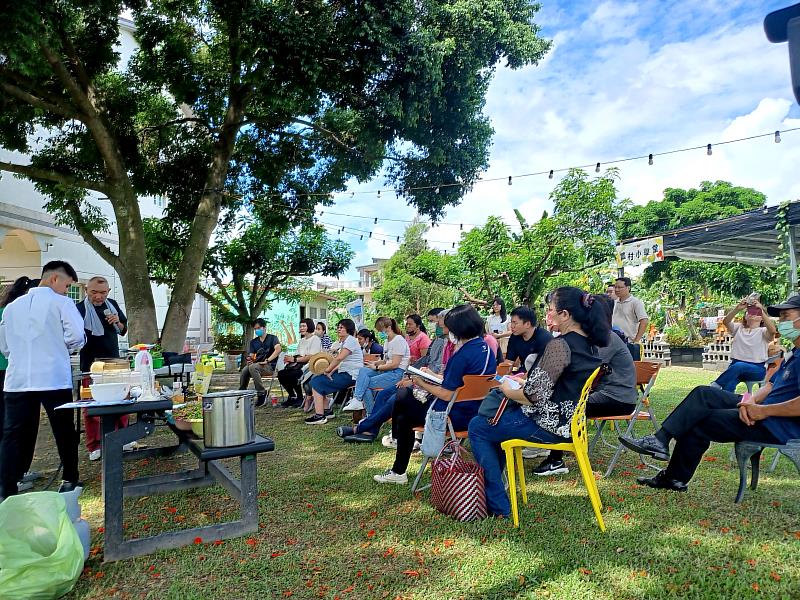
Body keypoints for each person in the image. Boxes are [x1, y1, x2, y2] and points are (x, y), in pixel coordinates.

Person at [619, 295, 800, 493]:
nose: (781, 322)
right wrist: (748, 402)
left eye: (785, 316)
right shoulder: (795, 353)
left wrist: (762, 412)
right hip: (761, 411)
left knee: (700, 421)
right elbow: (771, 386)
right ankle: (660, 440)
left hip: (777, 424)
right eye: (780, 317)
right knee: (703, 394)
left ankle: (673, 478)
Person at [468, 287, 610, 517]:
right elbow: (552, 386)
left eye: (551, 309)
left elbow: (532, 396)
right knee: (491, 425)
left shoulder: (560, 345)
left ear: (565, 314)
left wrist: (506, 387)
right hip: (572, 424)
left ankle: (498, 506)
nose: (548, 314)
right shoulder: (588, 344)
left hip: (550, 425)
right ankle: (495, 492)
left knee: (478, 426)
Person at [373, 304, 497, 484]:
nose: (446, 330)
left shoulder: (462, 354)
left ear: (459, 328)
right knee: (402, 400)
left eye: (449, 327)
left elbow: (446, 394)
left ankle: (398, 469)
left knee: (403, 412)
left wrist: (421, 381)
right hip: (475, 411)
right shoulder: (485, 349)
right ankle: (396, 452)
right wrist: (431, 376)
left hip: (452, 415)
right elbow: (459, 381)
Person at [0, 261, 86, 499]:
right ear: (54, 279)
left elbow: (4, 345)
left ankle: (7, 488)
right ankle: (70, 478)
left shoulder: (12, 307)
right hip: (52, 377)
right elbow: (77, 336)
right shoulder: (62, 303)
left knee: (12, 434)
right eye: (67, 285)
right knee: (63, 430)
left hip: (17, 379)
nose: (67, 290)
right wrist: (61, 347)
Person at [532, 294, 637, 476]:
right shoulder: (597, 337)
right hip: (607, 393)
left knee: (565, 407)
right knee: (561, 402)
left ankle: (554, 457)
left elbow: (583, 370)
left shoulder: (606, 339)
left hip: (617, 398)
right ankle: (549, 448)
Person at [338, 309, 451, 445]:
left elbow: (439, 372)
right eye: (436, 323)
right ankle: (369, 428)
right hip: (418, 378)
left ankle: (364, 427)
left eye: (438, 323)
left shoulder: (448, 345)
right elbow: (427, 363)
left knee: (394, 398)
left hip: (426, 385)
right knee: (382, 393)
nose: (437, 326)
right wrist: (411, 376)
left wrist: (416, 379)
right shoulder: (440, 341)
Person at [76, 276, 130, 461]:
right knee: (91, 405)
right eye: (94, 292)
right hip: (90, 364)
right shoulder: (79, 309)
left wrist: (118, 321)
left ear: (107, 292)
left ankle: (123, 438)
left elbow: (123, 329)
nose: (99, 296)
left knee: (121, 400)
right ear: (86, 290)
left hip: (114, 362)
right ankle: (94, 446)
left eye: (103, 292)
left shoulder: (112, 304)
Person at [0, 276, 38, 491]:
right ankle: (13, 475)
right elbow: (5, 346)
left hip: (15, 373)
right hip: (15, 375)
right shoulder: (15, 313)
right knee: (18, 427)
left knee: (12, 428)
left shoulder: (10, 311)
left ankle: (17, 472)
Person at [343, 317, 410, 413]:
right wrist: (376, 363)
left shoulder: (398, 340)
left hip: (397, 373)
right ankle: (357, 400)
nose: (380, 333)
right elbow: (386, 360)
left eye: (380, 330)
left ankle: (371, 414)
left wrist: (377, 367)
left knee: (365, 384)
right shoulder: (387, 341)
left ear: (389, 327)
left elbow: (395, 364)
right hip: (387, 370)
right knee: (363, 371)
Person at [710, 297, 776, 392]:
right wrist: (738, 308)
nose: (753, 314)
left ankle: (715, 385)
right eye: (750, 312)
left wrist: (761, 311)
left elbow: (773, 330)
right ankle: (728, 404)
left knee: (739, 366)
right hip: (735, 366)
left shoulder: (763, 331)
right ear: (745, 316)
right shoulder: (738, 328)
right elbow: (726, 322)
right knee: (728, 387)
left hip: (757, 369)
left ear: (762, 319)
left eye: (756, 312)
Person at [305, 318, 364, 425]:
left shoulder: (351, 340)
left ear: (348, 329)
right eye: (338, 327)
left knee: (316, 382)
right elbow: (342, 362)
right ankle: (327, 411)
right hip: (346, 372)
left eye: (341, 327)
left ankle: (320, 416)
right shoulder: (346, 341)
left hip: (352, 376)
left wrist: (327, 370)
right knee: (318, 379)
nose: (338, 329)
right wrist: (330, 372)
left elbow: (339, 358)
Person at [278, 318, 321, 407]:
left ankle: (300, 398)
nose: (301, 328)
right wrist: (289, 359)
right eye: (300, 326)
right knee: (281, 374)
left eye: (303, 326)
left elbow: (311, 356)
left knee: (293, 374)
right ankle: (292, 396)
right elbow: (297, 354)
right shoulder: (302, 340)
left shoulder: (315, 339)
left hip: (311, 366)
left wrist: (295, 360)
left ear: (309, 326)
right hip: (300, 364)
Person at [239, 318, 281, 406]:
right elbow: (252, 356)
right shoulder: (253, 342)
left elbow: (278, 350)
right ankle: (242, 393)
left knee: (253, 367)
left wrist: (267, 360)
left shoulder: (273, 338)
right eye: (255, 329)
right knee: (245, 370)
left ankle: (261, 393)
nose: (257, 330)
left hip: (270, 366)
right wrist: (250, 359)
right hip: (257, 366)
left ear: (264, 328)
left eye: (258, 328)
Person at [505, 306, 552, 372]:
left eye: (515, 323)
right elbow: (508, 363)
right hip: (523, 373)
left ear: (527, 324)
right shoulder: (514, 337)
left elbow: (544, 369)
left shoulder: (544, 339)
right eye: (511, 322)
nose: (512, 326)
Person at [612, 277, 648, 342]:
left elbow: (644, 321)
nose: (616, 290)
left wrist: (636, 340)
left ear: (628, 288)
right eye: (615, 287)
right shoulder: (614, 303)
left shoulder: (635, 302)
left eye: (620, 287)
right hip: (614, 342)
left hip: (628, 342)